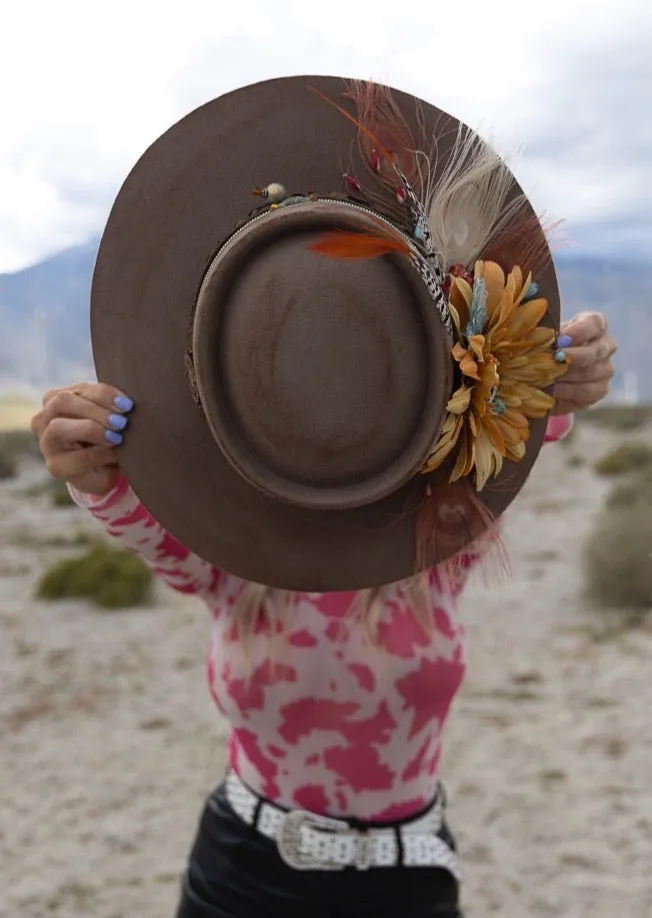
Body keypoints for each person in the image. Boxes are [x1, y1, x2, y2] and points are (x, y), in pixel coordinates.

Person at [31, 309, 615, 918]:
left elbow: (512, 435)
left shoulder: (436, 548)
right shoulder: (229, 557)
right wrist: (86, 457)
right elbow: (120, 498)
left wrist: (561, 377)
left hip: (409, 881)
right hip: (239, 879)